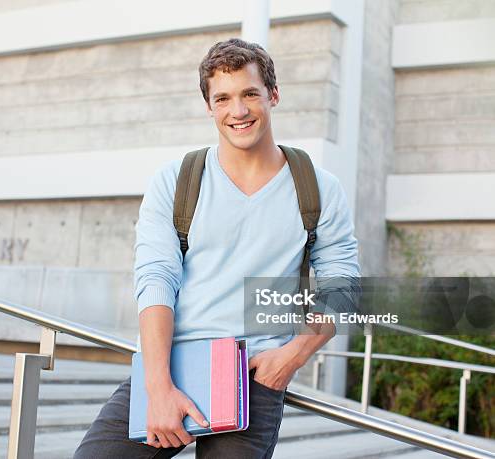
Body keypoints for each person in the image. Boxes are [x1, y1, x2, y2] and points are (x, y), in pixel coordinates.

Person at [74, 38, 360, 459]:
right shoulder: (175, 180)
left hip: (254, 374)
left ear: (273, 96)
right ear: (209, 106)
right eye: (222, 98)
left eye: (250, 94)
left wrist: (293, 355)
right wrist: (158, 386)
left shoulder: (317, 188)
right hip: (172, 364)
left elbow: (345, 285)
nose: (238, 111)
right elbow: (156, 279)